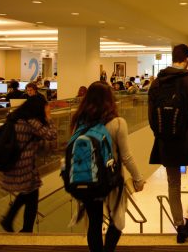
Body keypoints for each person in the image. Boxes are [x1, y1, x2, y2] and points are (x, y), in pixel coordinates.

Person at [70, 81, 145, 252]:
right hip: (111, 179)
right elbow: (126, 156)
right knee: (117, 221)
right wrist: (138, 178)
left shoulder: (79, 121)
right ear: (110, 99)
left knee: (94, 223)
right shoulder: (118, 123)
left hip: (87, 178)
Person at [149, 44, 188, 243]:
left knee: (173, 184)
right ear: (186, 60)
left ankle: (179, 226)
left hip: (166, 142)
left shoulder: (157, 82)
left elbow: (151, 117)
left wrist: (162, 132)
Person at [0, 95, 57, 232]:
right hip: (24, 164)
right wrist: (49, 119)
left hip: (15, 162)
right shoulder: (31, 121)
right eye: (46, 106)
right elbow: (51, 135)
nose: (47, 108)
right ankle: (23, 228)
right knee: (31, 194)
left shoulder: (16, 117)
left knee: (30, 193)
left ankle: (14, 222)